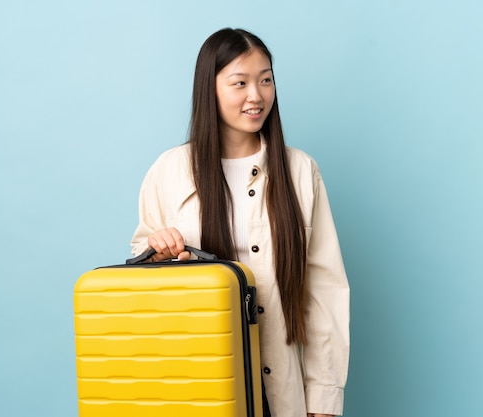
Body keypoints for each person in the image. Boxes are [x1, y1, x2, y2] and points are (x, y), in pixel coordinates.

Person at [130, 28, 350, 417]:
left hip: (278, 389)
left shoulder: (300, 171)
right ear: (209, 89)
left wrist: (324, 396)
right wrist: (157, 255)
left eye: (266, 80)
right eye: (240, 83)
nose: (257, 95)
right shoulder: (169, 171)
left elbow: (324, 288)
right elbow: (142, 289)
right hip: (195, 383)